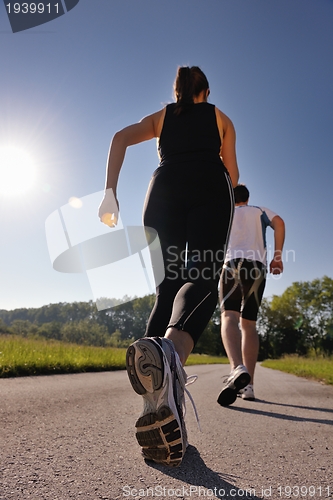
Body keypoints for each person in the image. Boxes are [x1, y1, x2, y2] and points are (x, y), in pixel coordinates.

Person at [99, 66, 239, 466]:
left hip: (162, 190)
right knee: (203, 280)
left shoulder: (161, 117)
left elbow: (119, 138)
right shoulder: (220, 117)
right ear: (206, 91)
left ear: (176, 91)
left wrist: (110, 193)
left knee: (166, 289)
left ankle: (156, 399)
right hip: (210, 186)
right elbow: (233, 171)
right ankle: (171, 355)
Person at [217, 184, 285, 406]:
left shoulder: (225, 212)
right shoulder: (260, 211)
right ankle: (249, 386)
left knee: (229, 317)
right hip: (256, 268)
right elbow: (280, 223)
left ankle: (237, 368)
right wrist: (277, 256)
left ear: (231, 197)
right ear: (247, 198)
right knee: (249, 325)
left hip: (232, 265)